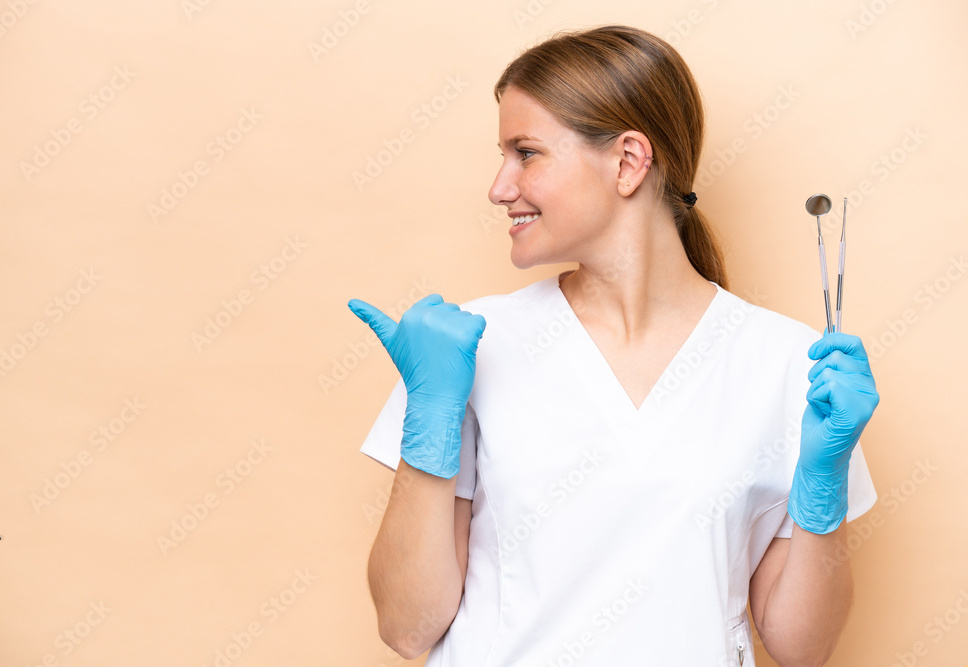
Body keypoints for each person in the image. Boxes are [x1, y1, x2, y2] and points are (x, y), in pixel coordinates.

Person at [349, 24, 879, 666]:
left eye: (526, 153)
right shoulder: (464, 349)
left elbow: (803, 650)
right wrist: (428, 425)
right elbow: (407, 628)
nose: (499, 187)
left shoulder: (791, 368)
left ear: (628, 161)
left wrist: (822, 488)